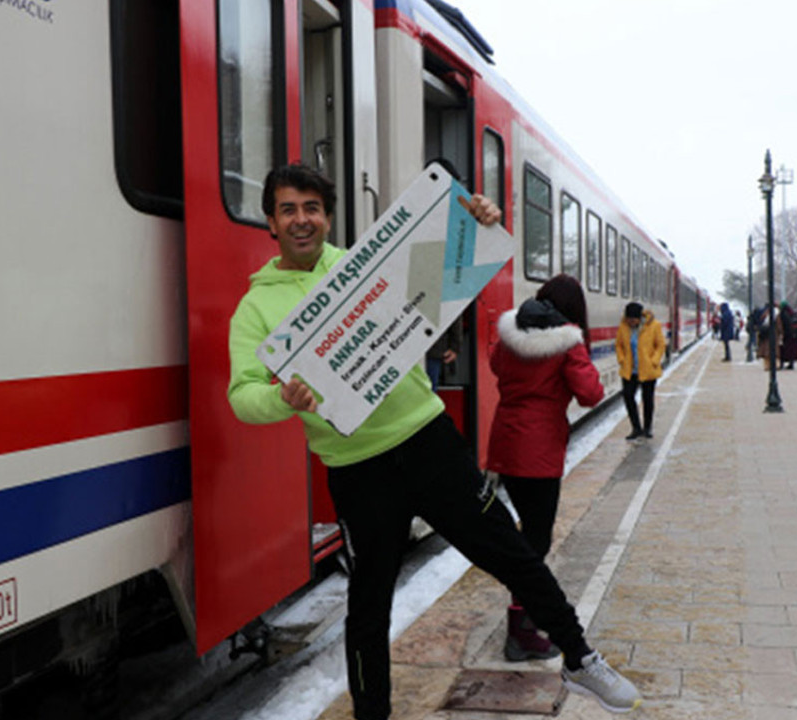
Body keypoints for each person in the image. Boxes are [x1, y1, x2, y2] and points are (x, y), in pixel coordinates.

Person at [227, 165, 641, 717]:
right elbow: (242, 395)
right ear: (271, 223)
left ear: (327, 216)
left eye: (312, 207)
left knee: (512, 553)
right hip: (356, 468)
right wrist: (282, 400)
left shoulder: (361, 268)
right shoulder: (255, 309)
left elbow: (445, 264)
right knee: (367, 606)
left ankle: (579, 657)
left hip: (428, 442)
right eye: (288, 209)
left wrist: (477, 222)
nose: (301, 219)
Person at [486, 274, 603, 662]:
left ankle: (524, 619)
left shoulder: (510, 336)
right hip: (538, 453)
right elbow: (590, 394)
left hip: (506, 444)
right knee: (535, 542)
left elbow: (495, 365)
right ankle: (521, 630)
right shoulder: (567, 342)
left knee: (527, 536)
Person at [616, 301, 665, 440]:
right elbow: (618, 345)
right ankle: (636, 428)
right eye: (628, 319)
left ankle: (647, 428)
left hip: (648, 369)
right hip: (629, 370)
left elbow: (660, 345)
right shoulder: (623, 327)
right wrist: (621, 359)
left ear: (639, 318)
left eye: (633, 319)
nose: (630, 322)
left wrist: (654, 361)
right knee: (628, 396)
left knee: (647, 399)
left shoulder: (653, 325)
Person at [424, 320, 462, 391]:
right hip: (433, 346)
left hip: (432, 348)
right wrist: (455, 347)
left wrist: (455, 347)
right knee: (429, 390)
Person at [778, 301, 797, 370]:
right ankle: (791, 363)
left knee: (784, 349)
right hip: (794, 334)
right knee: (792, 350)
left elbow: (784, 324)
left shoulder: (783, 313)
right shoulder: (792, 313)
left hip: (787, 334)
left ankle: (782, 363)